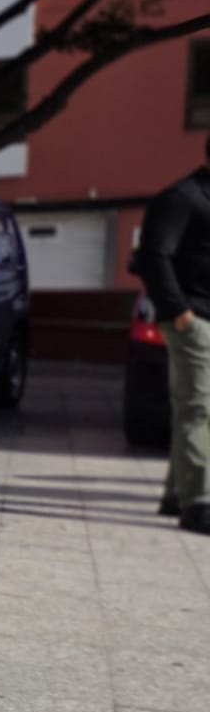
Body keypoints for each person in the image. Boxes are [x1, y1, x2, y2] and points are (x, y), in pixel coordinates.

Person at [139, 135, 210, 535]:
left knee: (199, 407)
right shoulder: (182, 198)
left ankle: (174, 494)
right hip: (193, 321)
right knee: (197, 409)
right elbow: (154, 255)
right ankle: (199, 505)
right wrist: (178, 312)